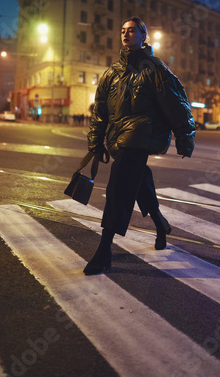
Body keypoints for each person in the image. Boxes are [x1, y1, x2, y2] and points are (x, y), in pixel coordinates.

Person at [84, 17, 196, 275]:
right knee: (138, 181)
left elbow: (176, 102)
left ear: (143, 36)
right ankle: (160, 223)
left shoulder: (155, 67)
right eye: (123, 30)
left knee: (119, 187)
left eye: (132, 30)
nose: (126, 34)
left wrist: (185, 135)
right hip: (117, 138)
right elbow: (100, 109)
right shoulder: (112, 72)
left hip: (140, 135)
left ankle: (104, 251)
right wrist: (95, 138)